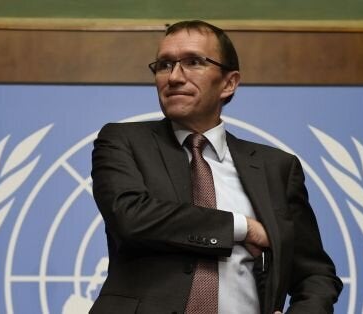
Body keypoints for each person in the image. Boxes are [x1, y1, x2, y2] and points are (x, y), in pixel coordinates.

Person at [90, 20, 342, 314]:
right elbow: (130, 216)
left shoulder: (277, 168)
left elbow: (315, 274)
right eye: (164, 65)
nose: (174, 77)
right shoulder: (123, 141)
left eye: (193, 62)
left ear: (229, 83)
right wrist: (242, 227)